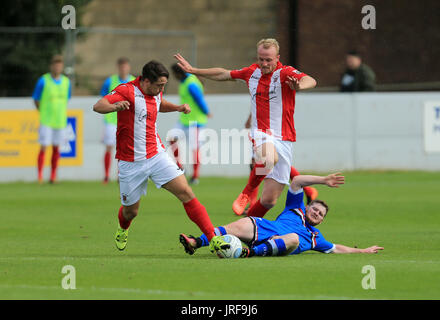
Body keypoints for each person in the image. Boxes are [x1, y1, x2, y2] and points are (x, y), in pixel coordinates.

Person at [174, 38, 317, 218]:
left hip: (285, 137)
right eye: (261, 59)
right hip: (261, 132)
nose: (264, 63)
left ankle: (251, 227)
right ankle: (246, 193)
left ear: (277, 57)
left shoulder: (286, 73)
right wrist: (194, 71)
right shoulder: (251, 72)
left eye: (268, 60)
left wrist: (300, 86)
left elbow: (310, 80)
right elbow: (224, 74)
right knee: (269, 157)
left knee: (269, 200)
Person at [93, 60, 222, 251]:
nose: (161, 88)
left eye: (164, 85)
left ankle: (214, 239)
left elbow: (159, 103)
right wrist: (115, 107)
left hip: (156, 155)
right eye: (159, 85)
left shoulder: (156, 92)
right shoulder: (127, 90)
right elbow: (99, 105)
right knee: (130, 212)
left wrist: (177, 108)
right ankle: (122, 228)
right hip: (130, 162)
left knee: (186, 192)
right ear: (145, 81)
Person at [180, 172, 384, 258]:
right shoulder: (295, 209)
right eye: (314, 208)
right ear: (307, 207)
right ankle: (196, 242)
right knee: (241, 223)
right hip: (264, 229)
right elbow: (296, 181)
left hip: (282, 244)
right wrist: (323, 180)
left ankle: (250, 253)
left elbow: (336, 248)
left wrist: (363, 251)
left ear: (321, 221)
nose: (316, 213)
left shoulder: (315, 237)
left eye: (320, 214)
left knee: (294, 239)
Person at [243, 112, 318, 215]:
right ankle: (309, 190)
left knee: (261, 165)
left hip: (267, 133)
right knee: (268, 165)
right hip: (264, 132)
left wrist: (250, 118)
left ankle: (251, 202)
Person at [168, 63, 211, 185]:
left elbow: (199, 98)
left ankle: (195, 176)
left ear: (178, 73)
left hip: (195, 122)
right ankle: (180, 167)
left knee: (195, 148)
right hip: (184, 120)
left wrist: (206, 111)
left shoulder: (191, 83)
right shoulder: (184, 82)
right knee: (172, 137)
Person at [33, 54, 72, 184]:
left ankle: (53, 176)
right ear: (51, 66)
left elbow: (67, 99)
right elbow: (36, 99)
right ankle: (39, 176)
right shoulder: (43, 80)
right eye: (55, 65)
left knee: (56, 148)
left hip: (60, 120)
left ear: (62, 67)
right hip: (46, 120)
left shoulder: (66, 82)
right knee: (44, 146)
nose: (57, 67)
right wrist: (43, 111)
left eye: (59, 65)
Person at [100, 57, 136, 183]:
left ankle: (121, 175)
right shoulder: (110, 81)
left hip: (127, 121)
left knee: (125, 149)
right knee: (109, 147)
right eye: (121, 66)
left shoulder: (134, 81)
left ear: (129, 67)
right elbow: (103, 98)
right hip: (111, 120)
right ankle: (106, 176)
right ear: (118, 67)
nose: (123, 69)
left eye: (125, 66)